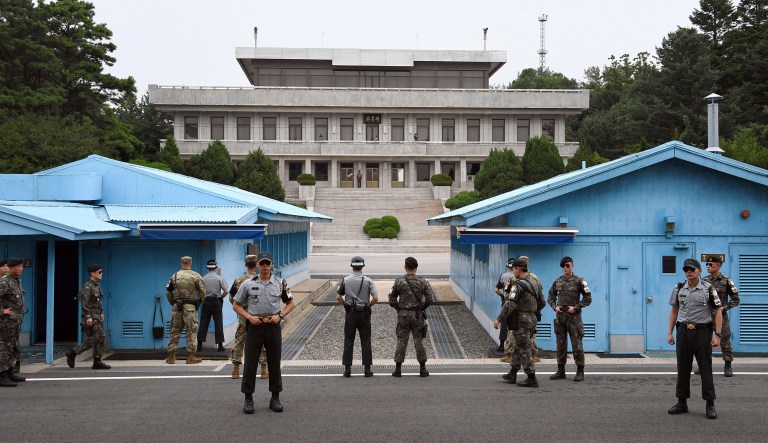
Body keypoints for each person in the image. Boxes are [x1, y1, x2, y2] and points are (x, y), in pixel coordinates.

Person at [233, 252, 294, 414]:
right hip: (255, 326)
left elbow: (290, 303)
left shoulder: (280, 283)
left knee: (274, 362)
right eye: (262, 263)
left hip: (273, 326)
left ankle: (275, 398)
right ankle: (248, 399)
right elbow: (236, 305)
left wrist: (280, 315)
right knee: (251, 363)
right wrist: (248, 317)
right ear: (258, 265)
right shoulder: (247, 284)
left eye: (268, 263)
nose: (265, 266)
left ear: (272, 264)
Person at [667, 258, 723, 420]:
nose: (688, 272)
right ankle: (682, 402)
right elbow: (674, 311)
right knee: (682, 368)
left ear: (699, 271)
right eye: (686, 270)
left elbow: (718, 311)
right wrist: (670, 333)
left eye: (692, 269)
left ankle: (710, 404)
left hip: (702, 332)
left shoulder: (708, 289)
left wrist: (717, 335)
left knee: (705, 369)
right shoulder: (678, 288)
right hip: (683, 331)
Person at [494, 259, 546, 387]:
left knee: (524, 348)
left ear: (518, 269)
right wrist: (532, 311)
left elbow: (510, 304)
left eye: (514, 269)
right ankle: (513, 373)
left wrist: (499, 319)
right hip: (532, 319)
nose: (513, 272)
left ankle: (531, 377)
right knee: (519, 345)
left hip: (522, 320)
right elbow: (543, 302)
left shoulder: (518, 285)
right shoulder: (534, 282)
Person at [547, 256, 592, 382]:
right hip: (561, 318)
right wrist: (555, 307)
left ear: (572, 265)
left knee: (577, 345)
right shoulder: (558, 281)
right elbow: (550, 296)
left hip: (574, 318)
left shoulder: (579, 281)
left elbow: (588, 298)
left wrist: (576, 307)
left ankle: (580, 371)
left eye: (567, 265)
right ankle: (561, 371)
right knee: (560, 345)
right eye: (563, 266)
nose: (565, 268)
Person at [389, 256, 434, 378]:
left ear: (405, 267)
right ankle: (423, 369)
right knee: (418, 340)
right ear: (416, 268)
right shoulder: (422, 281)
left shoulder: (399, 281)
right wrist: (422, 308)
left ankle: (398, 369)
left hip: (403, 315)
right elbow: (430, 299)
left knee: (401, 340)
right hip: (417, 315)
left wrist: (399, 309)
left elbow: (392, 298)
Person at [336, 256, 378, 377]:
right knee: (365, 340)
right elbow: (376, 298)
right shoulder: (368, 280)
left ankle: (347, 369)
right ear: (362, 266)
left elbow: (338, 297)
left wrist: (346, 305)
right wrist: (369, 305)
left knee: (349, 340)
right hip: (364, 313)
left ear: (352, 266)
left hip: (351, 313)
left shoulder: (346, 280)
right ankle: (367, 369)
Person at [229, 255, 268, 379]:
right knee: (262, 340)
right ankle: (263, 369)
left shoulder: (239, 280)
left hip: (244, 314)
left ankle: (235, 369)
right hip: (259, 314)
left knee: (240, 340)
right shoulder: (261, 279)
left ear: (245, 265)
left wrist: (240, 308)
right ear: (257, 264)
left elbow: (232, 298)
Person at [65, 264, 110, 370]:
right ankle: (73, 353)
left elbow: (98, 302)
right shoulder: (87, 286)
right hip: (90, 317)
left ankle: (97, 361)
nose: (101, 274)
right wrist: (88, 317)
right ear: (93, 273)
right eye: (99, 272)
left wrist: (102, 312)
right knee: (94, 339)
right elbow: (84, 303)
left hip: (97, 316)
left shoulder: (97, 286)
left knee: (102, 338)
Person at [702, 255, 740, 377]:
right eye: (707, 265)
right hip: (705, 316)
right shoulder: (704, 281)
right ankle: (703, 365)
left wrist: (723, 308)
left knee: (724, 340)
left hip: (720, 315)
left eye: (710, 265)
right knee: (703, 341)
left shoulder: (727, 281)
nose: (708, 266)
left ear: (718, 266)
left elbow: (736, 300)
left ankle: (728, 365)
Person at [165, 256, 206, 365]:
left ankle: (171, 357)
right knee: (191, 331)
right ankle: (191, 357)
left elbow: (168, 291)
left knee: (174, 331)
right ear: (190, 263)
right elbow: (203, 292)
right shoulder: (195, 276)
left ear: (181, 263)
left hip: (177, 307)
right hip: (190, 307)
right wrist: (199, 302)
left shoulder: (174, 276)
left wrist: (173, 302)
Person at [0, 258, 27, 387]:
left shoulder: (16, 281)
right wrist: (2, 311)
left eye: (22, 266)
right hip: (7, 321)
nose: (21, 269)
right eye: (18, 266)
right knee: (5, 347)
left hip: (16, 320)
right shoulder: (4, 282)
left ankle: (11, 371)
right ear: (10, 268)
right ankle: (2, 374)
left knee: (14, 346)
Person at [198, 259, 229, 352]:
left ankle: (199, 345)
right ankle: (220, 346)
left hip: (206, 302)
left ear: (207, 268)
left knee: (203, 323)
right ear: (215, 267)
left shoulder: (202, 278)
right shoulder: (219, 278)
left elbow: (199, 292)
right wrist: (221, 297)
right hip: (216, 302)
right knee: (218, 323)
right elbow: (226, 291)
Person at [494, 258, 516, 361]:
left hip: (506, 302)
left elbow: (496, 289)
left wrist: (502, 296)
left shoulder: (503, 276)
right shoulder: (519, 275)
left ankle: (502, 345)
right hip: (517, 303)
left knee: (504, 322)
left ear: (507, 266)